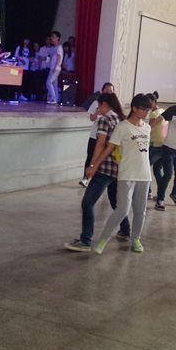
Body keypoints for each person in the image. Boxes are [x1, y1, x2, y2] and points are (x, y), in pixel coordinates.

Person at [64, 93, 130, 252]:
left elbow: (100, 145)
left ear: (104, 104)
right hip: (118, 168)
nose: (98, 109)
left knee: (87, 203)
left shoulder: (104, 120)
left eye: (99, 106)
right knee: (116, 202)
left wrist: (92, 165)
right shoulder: (120, 119)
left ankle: (85, 240)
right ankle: (126, 230)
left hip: (104, 168)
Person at [90, 94, 153, 255]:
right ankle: (103, 240)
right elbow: (108, 149)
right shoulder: (122, 127)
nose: (146, 112)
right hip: (127, 173)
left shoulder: (147, 128)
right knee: (122, 209)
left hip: (144, 174)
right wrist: (94, 166)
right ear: (134, 108)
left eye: (148, 110)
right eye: (143, 109)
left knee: (140, 211)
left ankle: (136, 239)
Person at [80, 82, 115, 187]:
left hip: (106, 137)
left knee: (103, 159)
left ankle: (99, 180)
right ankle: (85, 179)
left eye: (111, 91)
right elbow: (91, 118)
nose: (108, 93)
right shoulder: (96, 103)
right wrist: (97, 113)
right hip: (94, 135)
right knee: (90, 156)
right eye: (107, 91)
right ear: (102, 91)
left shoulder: (114, 105)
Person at [146, 92, 165, 199]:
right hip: (163, 145)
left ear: (153, 102)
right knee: (157, 170)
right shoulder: (162, 111)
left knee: (146, 168)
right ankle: (161, 194)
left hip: (154, 145)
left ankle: (147, 192)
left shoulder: (153, 114)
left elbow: (149, 128)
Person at [45, 30, 63, 105]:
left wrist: (56, 67)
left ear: (57, 38)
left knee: (48, 82)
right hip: (52, 68)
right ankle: (55, 99)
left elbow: (59, 57)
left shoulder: (59, 47)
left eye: (53, 37)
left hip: (56, 68)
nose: (51, 38)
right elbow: (50, 57)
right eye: (51, 37)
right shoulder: (53, 48)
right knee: (54, 84)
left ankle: (53, 99)